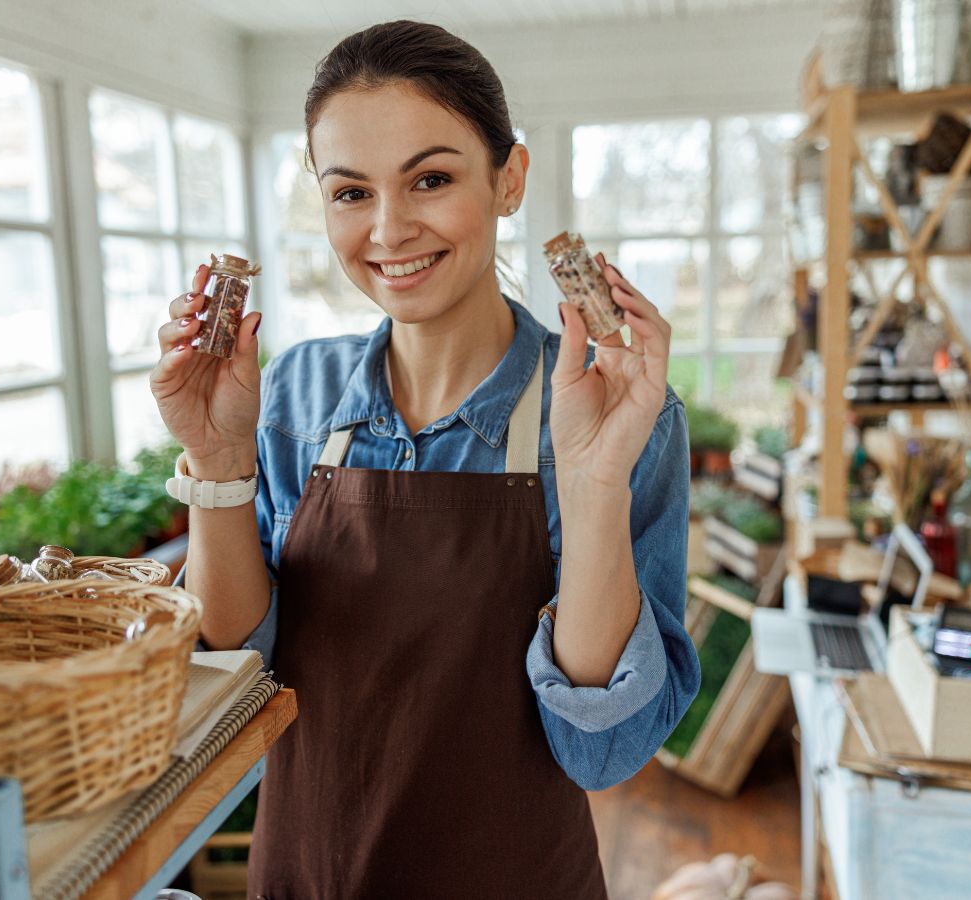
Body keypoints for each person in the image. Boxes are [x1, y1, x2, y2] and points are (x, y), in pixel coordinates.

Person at [152, 20, 699, 900]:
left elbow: (605, 749)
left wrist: (596, 480)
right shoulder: (291, 396)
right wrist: (215, 461)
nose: (389, 229)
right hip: (307, 877)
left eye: (432, 179)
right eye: (350, 193)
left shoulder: (618, 409)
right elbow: (231, 673)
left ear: (508, 179)